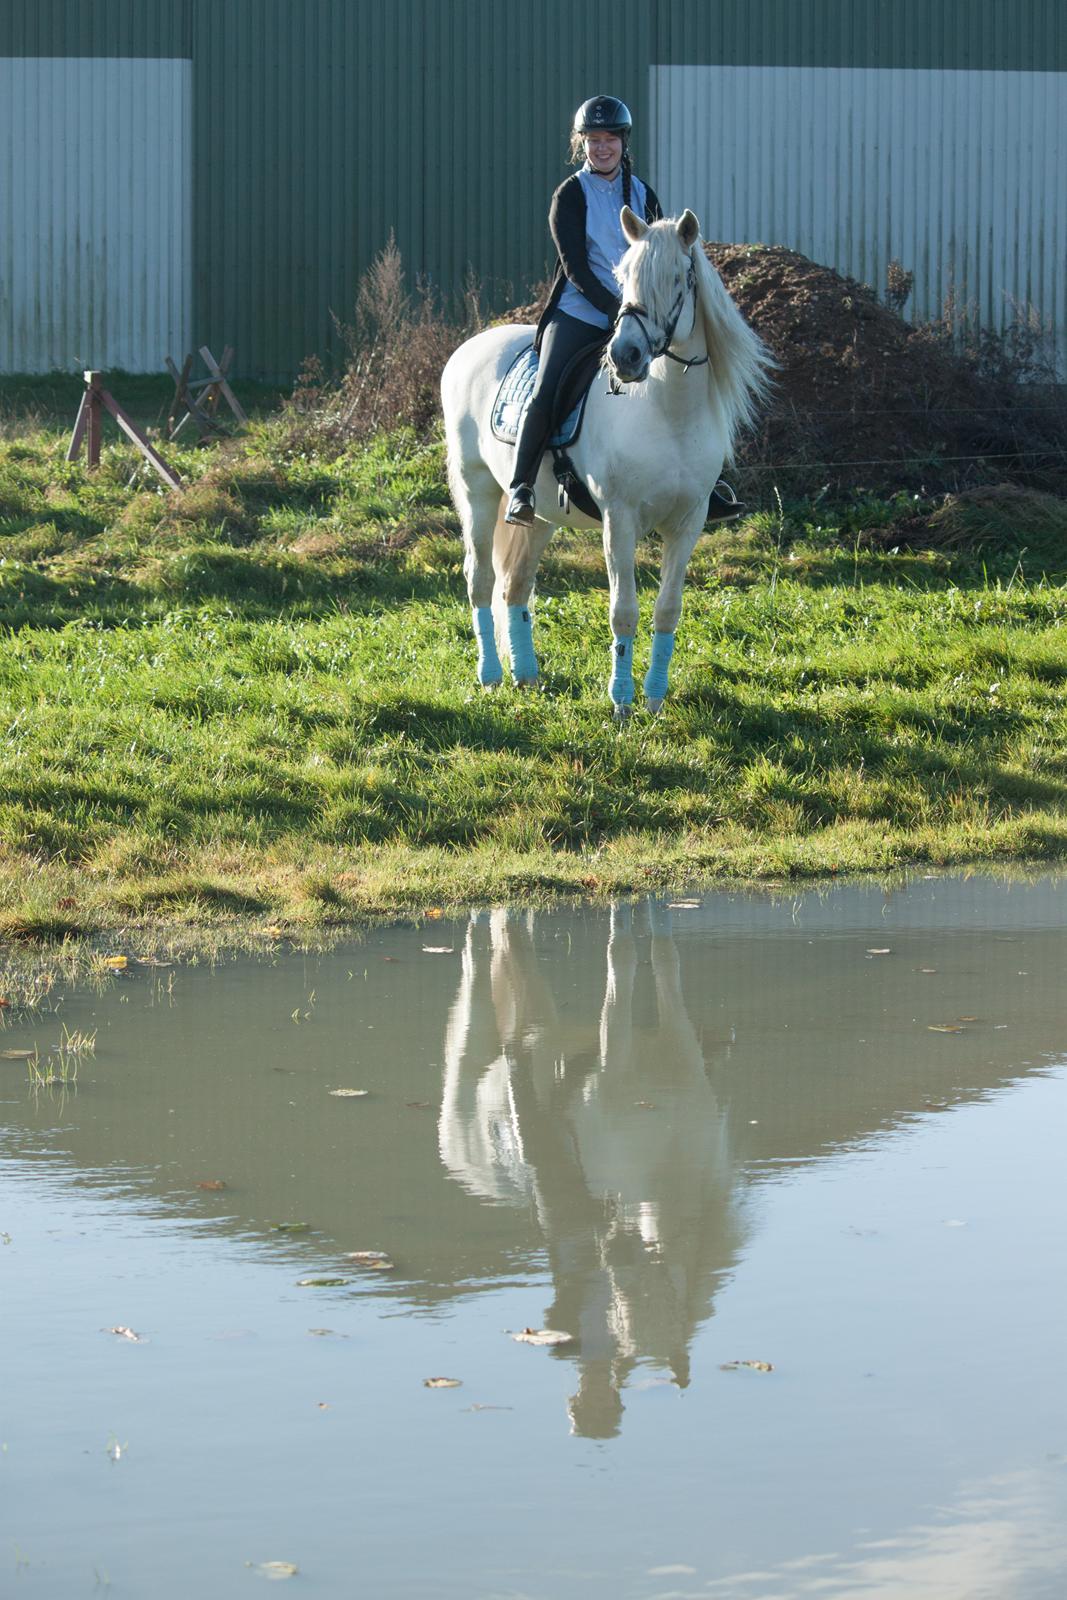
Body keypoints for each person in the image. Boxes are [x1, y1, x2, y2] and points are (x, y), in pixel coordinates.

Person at [505, 95, 743, 528]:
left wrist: (642, 313)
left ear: (623, 142)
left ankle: (708, 481)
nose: (602, 148)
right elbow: (574, 266)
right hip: (580, 312)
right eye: (593, 140)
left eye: (609, 139)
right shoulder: (569, 195)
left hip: (640, 318)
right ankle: (521, 487)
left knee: (691, 379)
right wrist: (617, 310)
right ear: (582, 145)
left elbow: (659, 257)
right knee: (548, 386)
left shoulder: (643, 193)